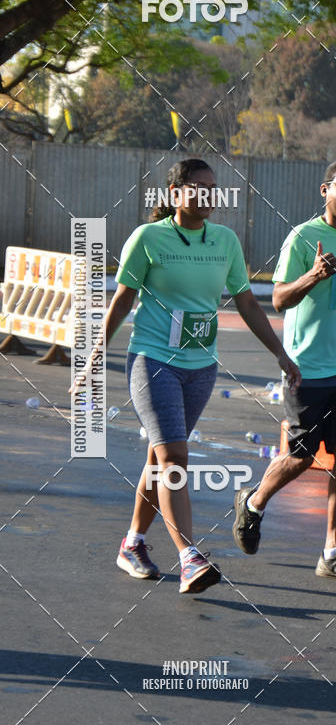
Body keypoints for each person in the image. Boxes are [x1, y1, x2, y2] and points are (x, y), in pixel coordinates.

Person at [72, 158, 300, 595]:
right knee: (175, 458)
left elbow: (246, 302)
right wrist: (95, 354)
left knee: (160, 458)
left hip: (201, 368)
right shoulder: (148, 238)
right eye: (199, 187)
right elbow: (123, 299)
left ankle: (132, 543)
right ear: (175, 193)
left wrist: (280, 353)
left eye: (213, 187)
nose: (208, 195)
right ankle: (189, 557)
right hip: (153, 361)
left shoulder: (225, 240)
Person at [232, 159, 336, 583]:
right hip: (307, 370)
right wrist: (314, 275)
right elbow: (278, 299)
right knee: (301, 457)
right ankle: (253, 502)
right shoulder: (302, 237)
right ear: (324, 190)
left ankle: (332, 552)